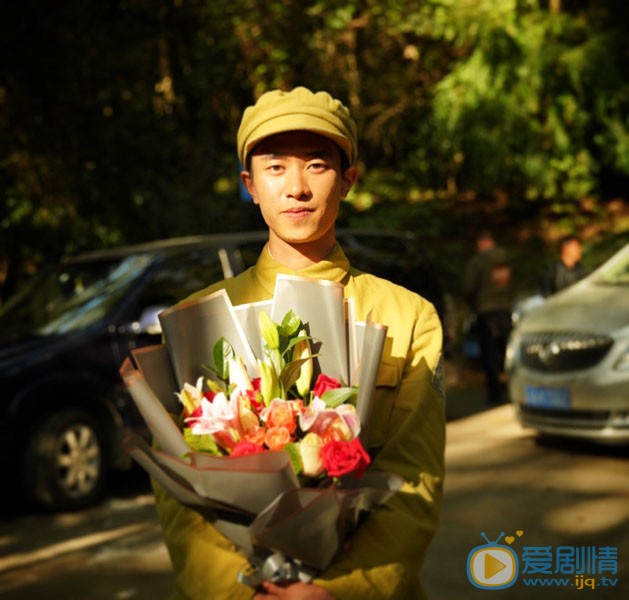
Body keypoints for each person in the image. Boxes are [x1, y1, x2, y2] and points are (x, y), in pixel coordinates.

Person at [152, 87, 446, 600]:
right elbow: (178, 496)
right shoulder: (196, 320)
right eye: (275, 167)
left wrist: (346, 591)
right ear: (249, 185)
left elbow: (413, 478)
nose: (296, 188)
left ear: (348, 180)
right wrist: (239, 592)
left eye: (316, 165)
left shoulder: (408, 317)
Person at [463, 231, 513, 404]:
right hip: (505, 308)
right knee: (506, 351)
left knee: (489, 353)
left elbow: (469, 287)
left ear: (482, 243)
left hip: (486, 310)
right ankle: (512, 388)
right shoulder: (506, 257)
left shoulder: (479, 261)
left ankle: (495, 393)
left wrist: (472, 304)